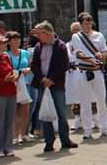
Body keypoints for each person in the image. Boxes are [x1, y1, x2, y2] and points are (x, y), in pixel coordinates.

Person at [29, 21, 78, 153]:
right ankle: (49, 142)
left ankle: (65, 140)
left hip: (57, 84)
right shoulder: (39, 47)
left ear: (47, 33)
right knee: (45, 113)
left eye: (39, 34)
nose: (38, 37)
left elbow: (64, 65)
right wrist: (42, 78)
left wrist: (51, 79)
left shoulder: (60, 46)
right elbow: (34, 65)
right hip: (42, 84)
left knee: (61, 113)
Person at [68, 13, 107, 140]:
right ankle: (87, 130)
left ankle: (104, 128)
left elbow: (105, 50)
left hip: (97, 71)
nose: (88, 25)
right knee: (85, 101)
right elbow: (78, 53)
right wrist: (92, 59)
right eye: (85, 23)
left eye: (90, 22)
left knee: (101, 100)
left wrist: (102, 56)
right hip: (84, 71)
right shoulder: (76, 37)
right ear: (81, 24)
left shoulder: (99, 35)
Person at [5, 31, 32, 144]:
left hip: (25, 83)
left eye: (18, 39)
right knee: (14, 110)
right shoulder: (6, 54)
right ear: (9, 42)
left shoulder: (25, 53)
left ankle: (24, 134)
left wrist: (28, 69)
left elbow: (31, 65)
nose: (17, 41)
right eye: (14, 39)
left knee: (25, 110)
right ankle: (15, 135)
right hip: (13, 83)